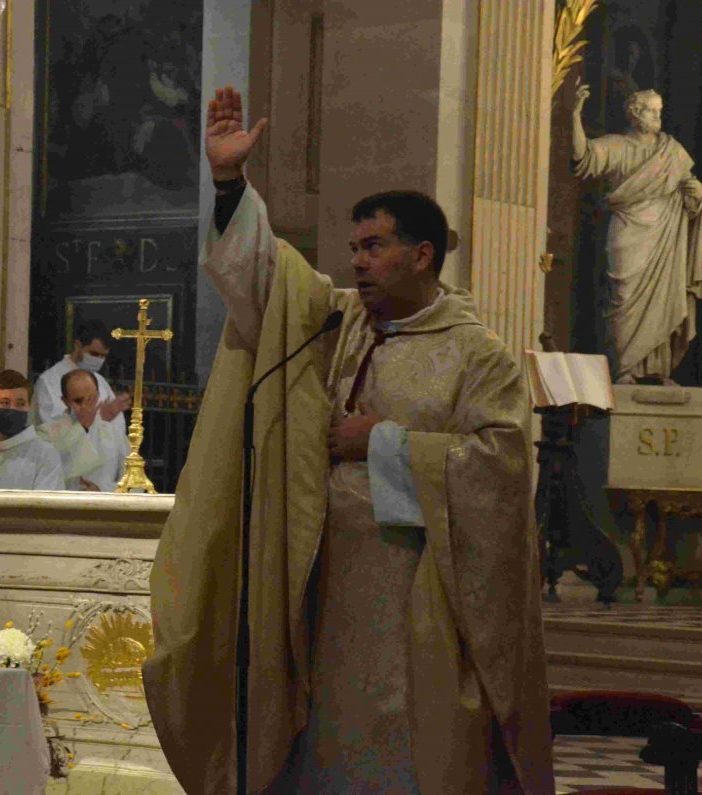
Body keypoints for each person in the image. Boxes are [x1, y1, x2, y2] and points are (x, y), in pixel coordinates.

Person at [142, 86, 554, 794]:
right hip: (323, 594)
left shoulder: (478, 354)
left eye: (374, 247)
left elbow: (503, 471)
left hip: (418, 604)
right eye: (353, 248)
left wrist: (384, 442)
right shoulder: (337, 321)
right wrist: (229, 182)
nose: (356, 262)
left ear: (422, 254)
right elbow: (265, 282)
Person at [572, 82, 702, 384]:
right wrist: (574, 115)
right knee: (623, 298)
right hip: (627, 233)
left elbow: (689, 191)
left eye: (660, 111)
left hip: (665, 236)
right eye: (652, 111)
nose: (658, 117)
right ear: (635, 114)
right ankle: (624, 370)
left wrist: (698, 194)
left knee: (662, 301)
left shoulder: (671, 151)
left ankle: (654, 369)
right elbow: (583, 158)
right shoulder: (616, 145)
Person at [36, 369, 129, 492]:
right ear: (65, 401)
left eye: (90, 399)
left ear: (98, 395)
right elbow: (45, 476)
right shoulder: (46, 433)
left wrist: (103, 491)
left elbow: (134, 483)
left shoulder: (115, 434)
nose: (85, 406)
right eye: (78, 401)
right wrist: (82, 427)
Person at [0, 369, 64, 490]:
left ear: (28, 407)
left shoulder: (45, 454)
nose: (12, 409)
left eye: (20, 404)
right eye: (5, 402)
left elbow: (46, 506)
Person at [32, 319, 132, 425]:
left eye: (103, 356)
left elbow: (117, 426)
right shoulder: (49, 381)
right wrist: (99, 418)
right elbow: (51, 425)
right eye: (94, 354)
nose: (99, 360)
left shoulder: (101, 382)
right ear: (77, 345)